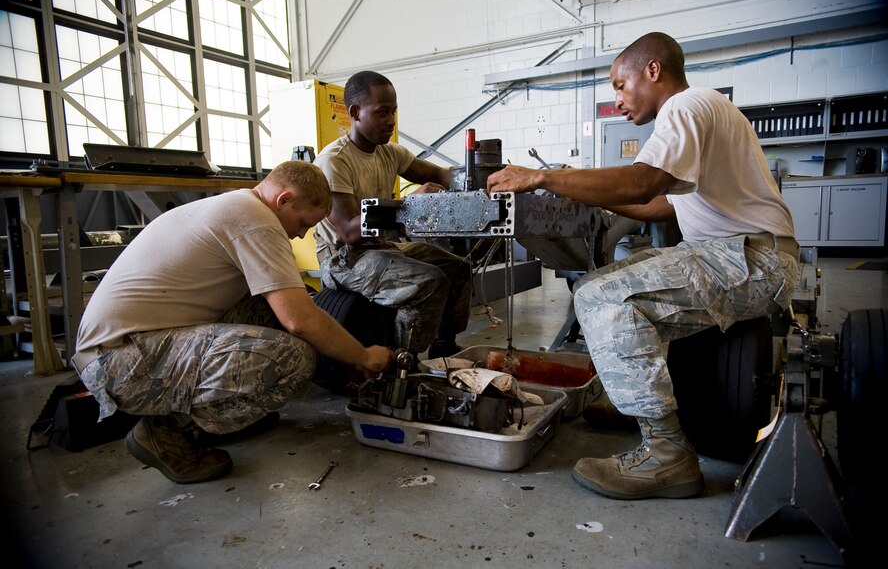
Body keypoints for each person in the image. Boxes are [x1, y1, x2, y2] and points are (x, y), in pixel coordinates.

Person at [487, 32, 798, 500]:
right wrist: (585, 196)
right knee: (600, 282)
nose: (617, 101)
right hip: (741, 253)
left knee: (600, 297)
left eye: (619, 84)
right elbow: (660, 204)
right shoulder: (704, 111)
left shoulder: (686, 106)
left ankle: (668, 454)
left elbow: (643, 181)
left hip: (752, 259)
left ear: (652, 70)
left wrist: (544, 177)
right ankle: (637, 400)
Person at [74, 161, 394, 484]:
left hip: (129, 345)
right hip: (117, 363)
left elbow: (292, 308)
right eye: (302, 223)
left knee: (269, 308)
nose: (300, 235)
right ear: (283, 200)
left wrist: (345, 353)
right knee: (293, 360)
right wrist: (363, 356)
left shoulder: (239, 205)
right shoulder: (257, 221)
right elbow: (300, 321)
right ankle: (165, 432)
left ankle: (213, 413)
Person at [314, 70, 472, 358]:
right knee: (428, 281)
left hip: (380, 248)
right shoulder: (334, 161)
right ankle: (399, 364)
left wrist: (480, 179)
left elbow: (437, 173)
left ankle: (444, 350)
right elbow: (350, 231)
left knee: (458, 269)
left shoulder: (389, 152)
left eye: (394, 112)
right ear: (355, 112)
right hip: (343, 258)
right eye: (382, 112)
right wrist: (410, 205)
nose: (391, 121)